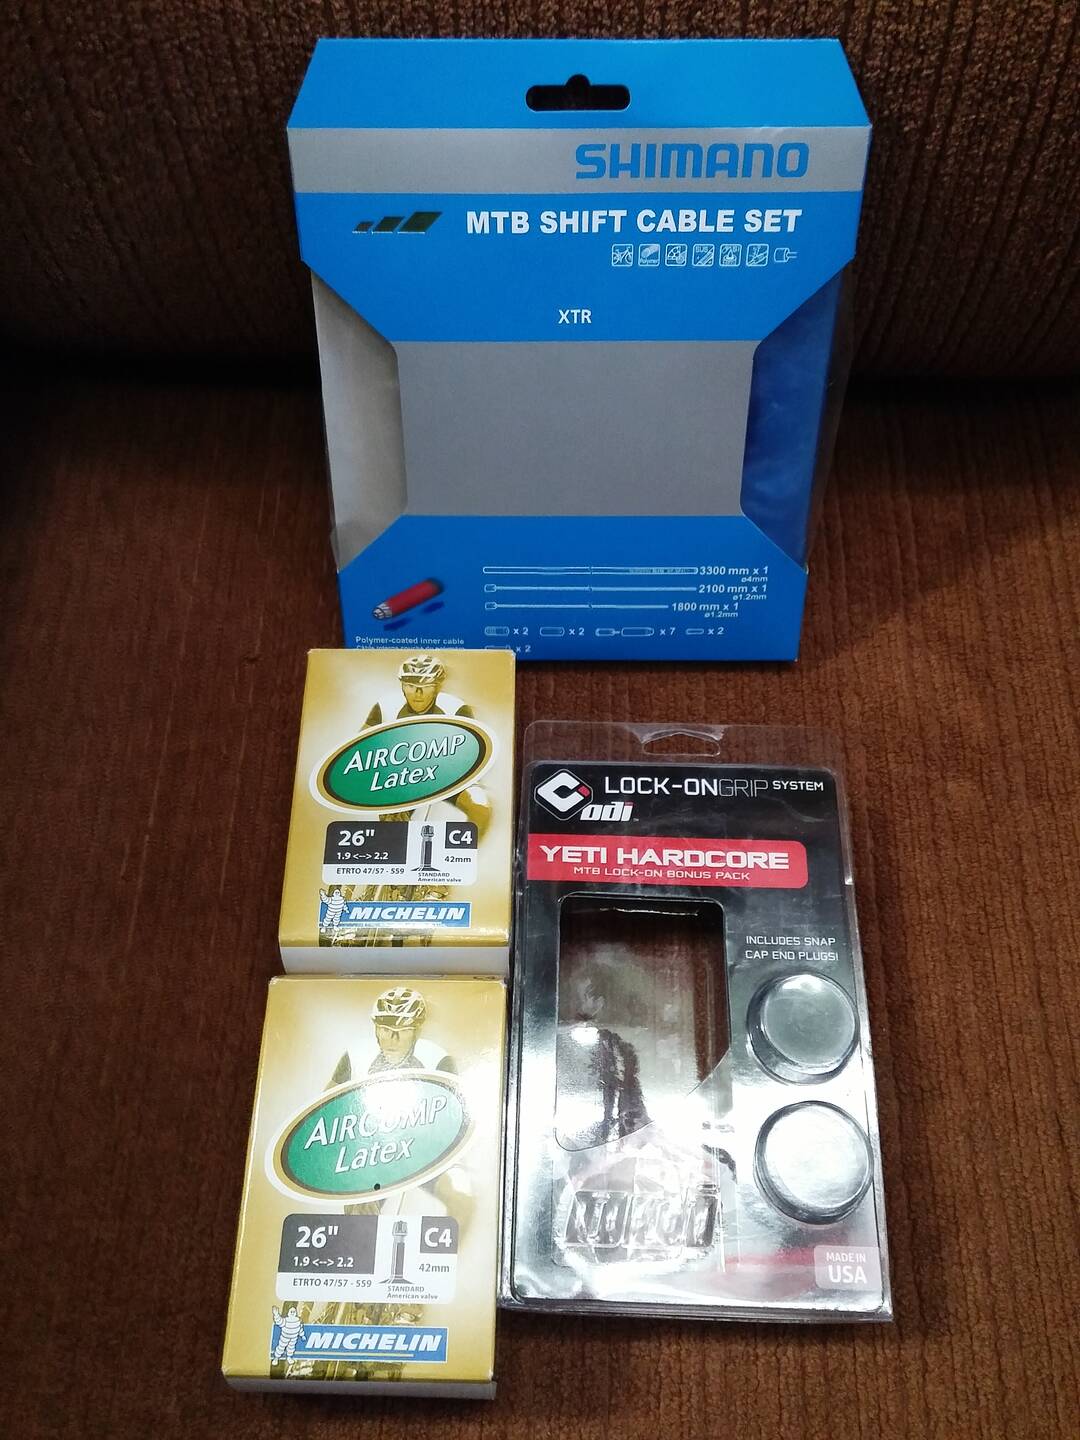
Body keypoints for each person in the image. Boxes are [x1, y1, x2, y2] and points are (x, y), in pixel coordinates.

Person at [363, 654, 473, 726]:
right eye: (411, 686)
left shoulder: (456, 709)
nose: (418, 693)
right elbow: (360, 745)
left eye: (426, 686)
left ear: (437, 688)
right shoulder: (385, 708)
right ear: (402, 687)